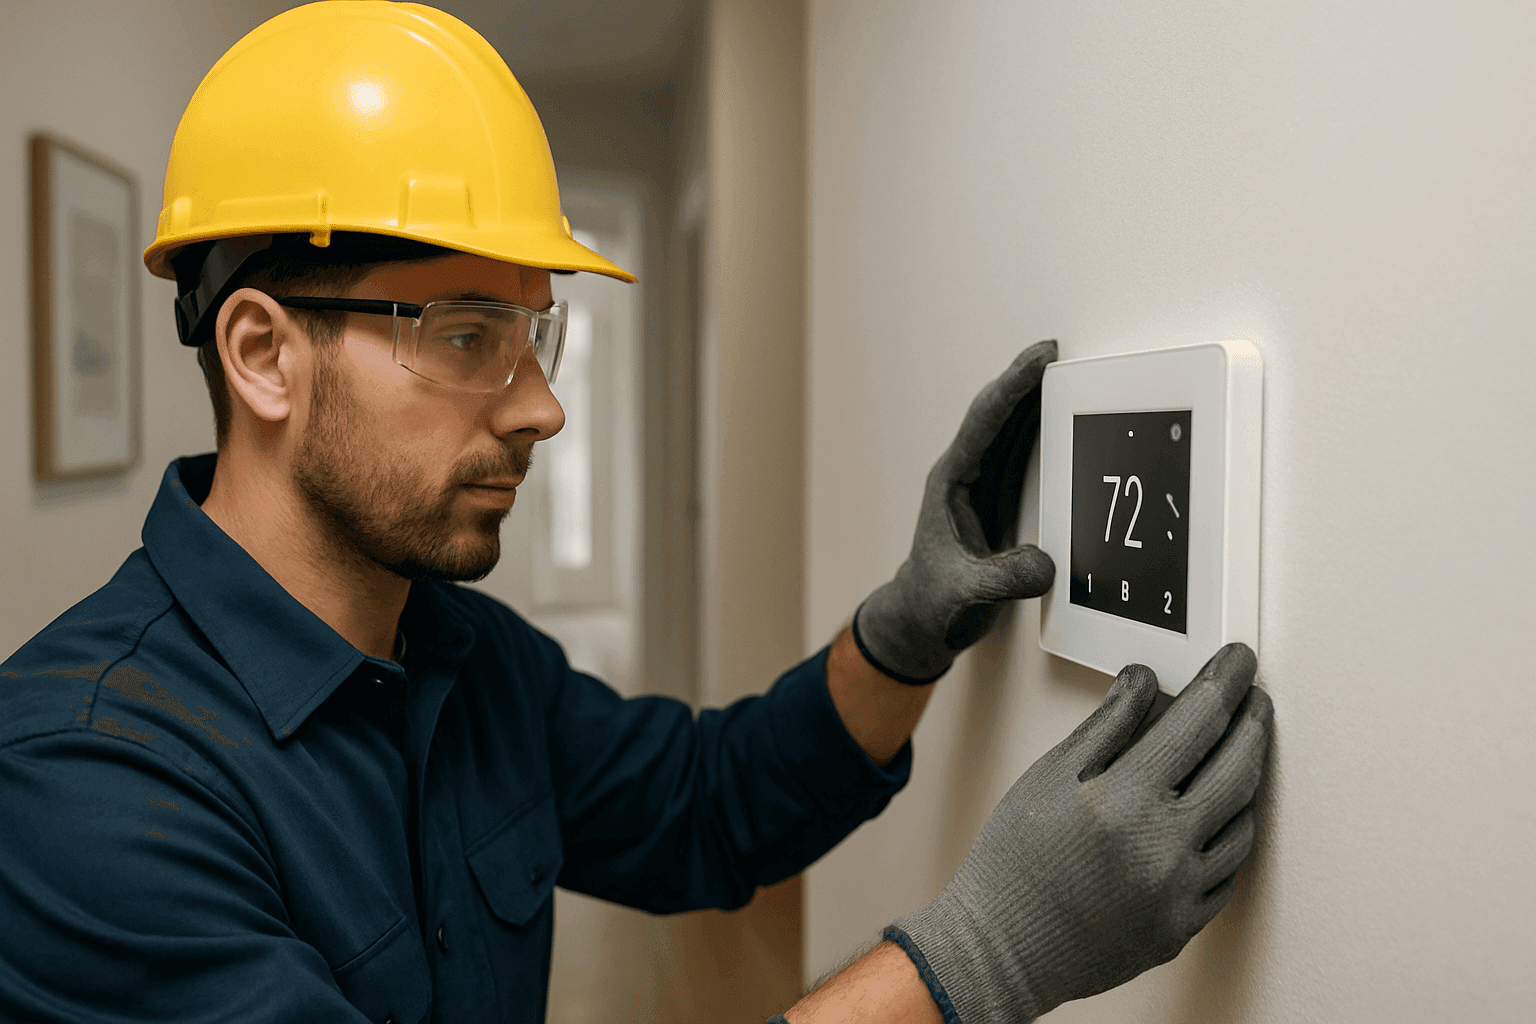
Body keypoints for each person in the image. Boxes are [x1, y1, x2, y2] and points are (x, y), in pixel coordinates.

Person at [0, 4, 1271, 1023]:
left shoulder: (457, 651)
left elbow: (709, 804)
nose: (543, 407)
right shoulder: (83, 784)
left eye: (535, 332)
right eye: (465, 334)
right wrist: (979, 961)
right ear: (265, 355)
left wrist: (904, 630)